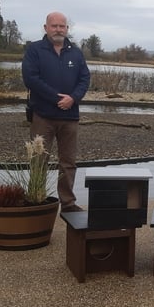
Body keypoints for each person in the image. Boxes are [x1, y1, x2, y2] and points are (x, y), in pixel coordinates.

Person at [22, 11, 91, 212]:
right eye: (54, 26)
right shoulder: (35, 50)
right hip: (43, 116)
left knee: (68, 162)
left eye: (62, 26)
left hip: (70, 117)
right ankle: (37, 199)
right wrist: (56, 98)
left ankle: (68, 203)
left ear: (67, 29)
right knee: (38, 160)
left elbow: (84, 79)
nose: (58, 30)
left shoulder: (76, 53)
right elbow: (31, 78)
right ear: (46, 28)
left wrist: (73, 98)